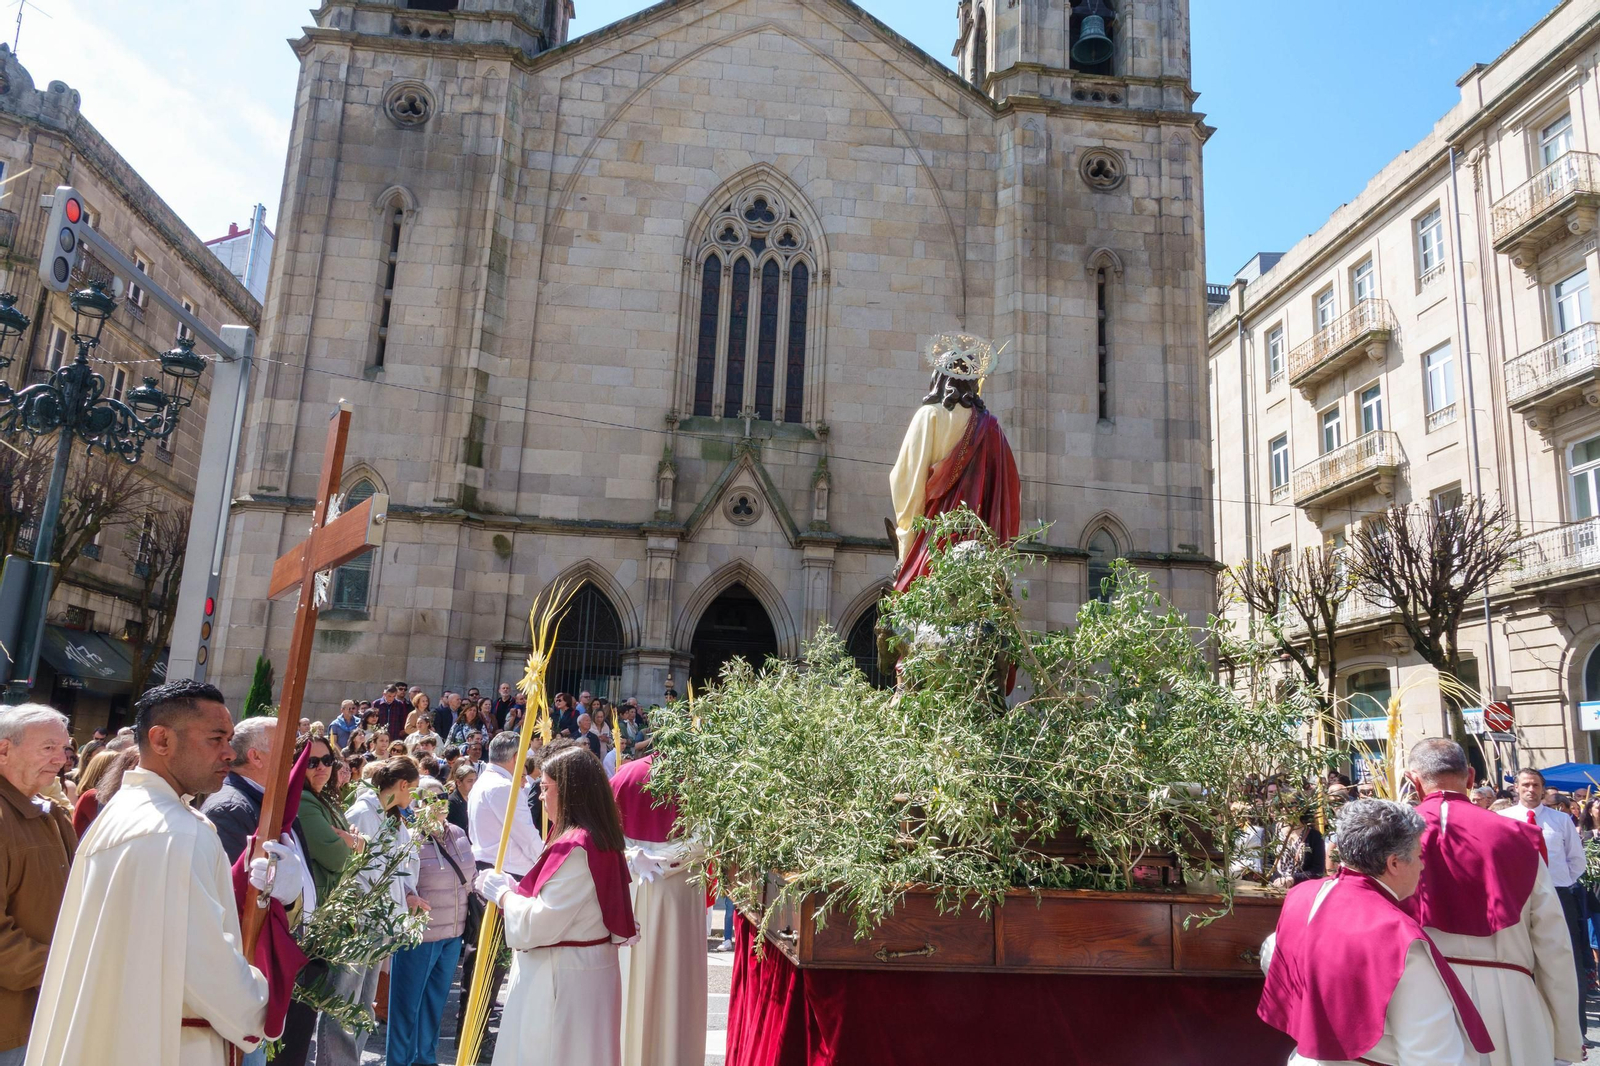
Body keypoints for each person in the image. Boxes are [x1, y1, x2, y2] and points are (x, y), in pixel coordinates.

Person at [25, 680, 303, 1066]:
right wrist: (262, 1005)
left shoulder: (124, 812)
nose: (229, 752)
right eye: (216, 739)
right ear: (161, 740)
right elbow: (207, 968)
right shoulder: (177, 832)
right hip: (168, 1044)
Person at [1258, 799, 1494, 1066]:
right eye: (1418, 856)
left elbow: (1272, 956)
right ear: (1394, 863)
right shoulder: (1397, 936)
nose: (1422, 866)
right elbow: (1431, 1053)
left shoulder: (1301, 895)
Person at [1402, 740, 1581, 1065]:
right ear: (1471, 777)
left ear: (1413, 781)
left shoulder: (1390, 839)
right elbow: (1554, 944)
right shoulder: (1517, 837)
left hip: (1420, 1002)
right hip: (1512, 1005)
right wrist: (1566, 1038)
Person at [474, 746, 636, 1066]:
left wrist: (502, 895)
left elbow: (541, 922)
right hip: (579, 969)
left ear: (569, 792)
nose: (541, 797)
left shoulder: (576, 847)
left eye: (545, 788)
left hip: (564, 976)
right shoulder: (593, 838)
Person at [197, 718, 317, 1066]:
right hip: (253, 972)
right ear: (256, 756)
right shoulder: (231, 808)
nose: (295, 759)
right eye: (286, 749)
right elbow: (235, 902)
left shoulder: (270, 802)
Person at [890, 334, 1021, 593]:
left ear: (940, 379)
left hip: (934, 542)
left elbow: (907, 483)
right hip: (978, 549)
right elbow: (1008, 490)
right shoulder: (991, 427)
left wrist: (906, 545)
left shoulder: (929, 417)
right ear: (972, 384)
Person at [322, 756, 424, 1066]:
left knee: (363, 1005)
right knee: (344, 1002)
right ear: (402, 785)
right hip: (358, 921)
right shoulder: (362, 813)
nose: (413, 797)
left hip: (380, 923)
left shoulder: (392, 817)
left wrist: (407, 895)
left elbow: (401, 866)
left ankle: (349, 1061)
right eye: (413, 790)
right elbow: (350, 869)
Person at [612, 751, 705, 1066]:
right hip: (680, 891)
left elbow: (603, 833)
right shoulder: (698, 779)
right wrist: (667, 861)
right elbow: (705, 839)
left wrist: (634, 857)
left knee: (629, 982)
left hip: (632, 886)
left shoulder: (624, 774)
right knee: (675, 982)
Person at [0, 705, 75, 1066]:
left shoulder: (52, 813)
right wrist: (63, 969)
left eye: (64, 748)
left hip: (42, 1016)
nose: (62, 758)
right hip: (10, 1024)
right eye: (48, 747)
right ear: (3, 750)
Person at [1499, 765, 1591, 1041]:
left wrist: (1553, 885)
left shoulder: (1560, 821)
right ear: (1516, 788)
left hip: (1558, 896)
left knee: (1565, 961)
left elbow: (1577, 861)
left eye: (1535, 785)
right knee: (1521, 959)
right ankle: (1528, 1028)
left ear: (1542, 788)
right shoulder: (1502, 819)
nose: (1531, 790)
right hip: (1517, 899)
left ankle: (1575, 1031)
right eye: (1525, 785)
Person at [387, 776, 472, 1066]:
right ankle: (398, 1062)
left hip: (452, 932)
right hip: (419, 936)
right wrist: (408, 898)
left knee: (434, 1005)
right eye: (429, 799)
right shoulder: (407, 837)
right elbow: (394, 884)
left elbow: (469, 877)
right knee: (406, 1008)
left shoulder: (459, 833)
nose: (437, 804)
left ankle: (426, 1060)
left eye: (441, 798)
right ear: (416, 804)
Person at [461, 732, 542, 1031]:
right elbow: (527, 836)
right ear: (512, 758)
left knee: (486, 958)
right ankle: (475, 1035)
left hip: (491, 870)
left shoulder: (485, 780)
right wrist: (551, 862)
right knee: (490, 960)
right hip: (502, 876)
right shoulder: (504, 788)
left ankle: (474, 1032)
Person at [449, 763, 477, 834]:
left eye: (475, 780)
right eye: (469, 781)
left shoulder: (475, 798)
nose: (474, 784)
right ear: (458, 782)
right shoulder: (451, 802)